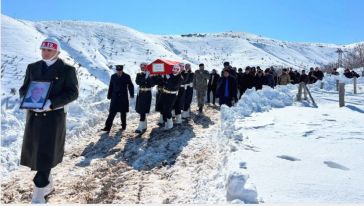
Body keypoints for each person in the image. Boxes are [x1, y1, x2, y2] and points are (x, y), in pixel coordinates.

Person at [18, 37, 79, 204]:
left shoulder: (67, 70)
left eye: (49, 50)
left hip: (53, 118)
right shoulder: (33, 67)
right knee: (37, 152)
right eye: (43, 50)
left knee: (47, 151)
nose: (45, 53)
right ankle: (49, 184)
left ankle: (38, 196)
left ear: (57, 51)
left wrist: (51, 103)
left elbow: (73, 93)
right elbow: (24, 88)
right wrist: (26, 98)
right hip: (34, 117)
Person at [101, 65, 134, 132]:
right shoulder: (113, 76)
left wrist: (131, 94)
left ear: (122, 70)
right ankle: (107, 127)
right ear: (116, 70)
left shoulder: (127, 76)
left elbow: (130, 85)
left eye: (120, 70)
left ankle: (123, 126)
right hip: (115, 97)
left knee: (123, 113)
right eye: (118, 70)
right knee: (112, 113)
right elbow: (111, 86)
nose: (119, 72)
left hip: (123, 97)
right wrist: (109, 95)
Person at [158, 64, 184, 130]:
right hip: (165, 93)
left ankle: (170, 124)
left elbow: (174, 85)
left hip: (172, 95)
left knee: (168, 109)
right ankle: (166, 123)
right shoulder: (170, 75)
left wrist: (168, 78)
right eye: (174, 69)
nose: (175, 71)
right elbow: (163, 82)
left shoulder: (180, 78)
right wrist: (162, 77)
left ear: (179, 70)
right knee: (163, 109)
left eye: (177, 70)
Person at [134, 63, 156, 133]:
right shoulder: (139, 74)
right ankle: (144, 125)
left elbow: (152, 84)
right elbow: (138, 82)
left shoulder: (150, 75)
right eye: (141, 67)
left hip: (147, 93)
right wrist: (145, 78)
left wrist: (149, 77)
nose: (142, 68)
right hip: (140, 93)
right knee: (140, 109)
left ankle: (140, 127)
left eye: (144, 67)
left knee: (143, 110)